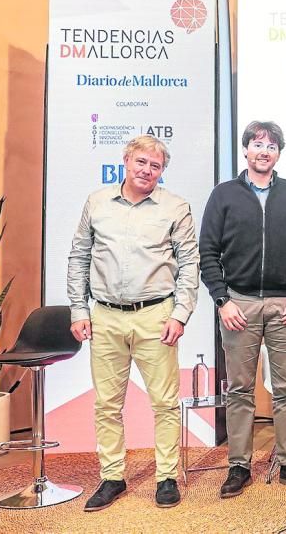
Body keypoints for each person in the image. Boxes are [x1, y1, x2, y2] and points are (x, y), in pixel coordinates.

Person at [67, 135, 198, 511]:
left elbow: (190, 264)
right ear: (126, 161)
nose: (147, 170)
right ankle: (112, 477)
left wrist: (180, 314)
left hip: (157, 316)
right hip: (105, 315)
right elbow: (78, 256)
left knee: (165, 403)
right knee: (107, 405)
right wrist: (79, 309)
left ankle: (167, 477)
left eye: (155, 166)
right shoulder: (97, 202)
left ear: (162, 172)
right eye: (141, 162)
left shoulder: (175, 207)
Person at [199, 121, 286, 498]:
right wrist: (222, 300)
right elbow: (208, 254)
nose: (263, 151)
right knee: (239, 391)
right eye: (256, 144)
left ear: (279, 153)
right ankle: (238, 465)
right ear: (246, 150)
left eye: (271, 145)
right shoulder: (223, 195)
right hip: (239, 304)